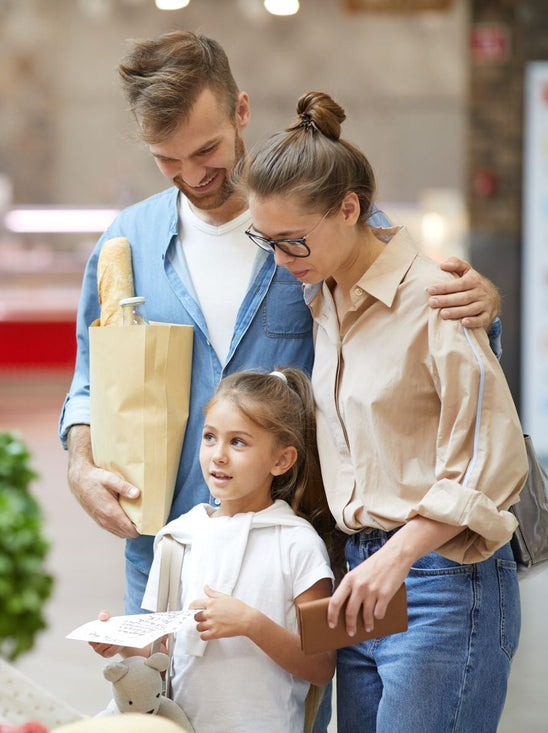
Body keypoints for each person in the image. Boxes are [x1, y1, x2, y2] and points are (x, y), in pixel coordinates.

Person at [58, 30, 502, 618]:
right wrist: (81, 468)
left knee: (288, 711)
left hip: (302, 558)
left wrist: (482, 301)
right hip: (165, 551)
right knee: (151, 713)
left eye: (206, 150)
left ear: (241, 111)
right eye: (167, 158)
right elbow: (90, 382)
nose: (192, 175)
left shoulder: (329, 223)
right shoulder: (125, 245)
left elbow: (426, 329)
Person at [244, 91, 527, 733]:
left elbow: (495, 458)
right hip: (361, 575)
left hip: (444, 581)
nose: (285, 263)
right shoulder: (325, 300)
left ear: (349, 208)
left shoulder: (438, 297)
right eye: (268, 244)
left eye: (294, 242)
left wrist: (397, 556)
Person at [91, 369, 339, 733]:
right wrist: (121, 645)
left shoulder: (300, 544)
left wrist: (251, 624)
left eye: (238, 442)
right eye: (210, 437)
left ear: (282, 460)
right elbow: (161, 654)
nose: (218, 455)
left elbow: (321, 664)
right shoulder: (178, 539)